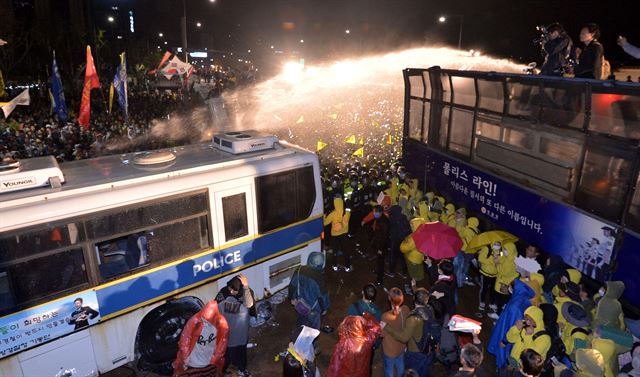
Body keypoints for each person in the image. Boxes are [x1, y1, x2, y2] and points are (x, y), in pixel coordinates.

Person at [383, 288, 440, 376]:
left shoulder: (413, 318)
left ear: (413, 298)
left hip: (416, 353)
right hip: (428, 349)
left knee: (411, 373)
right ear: (427, 300)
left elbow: (404, 338)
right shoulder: (430, 310)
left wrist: (388, 328)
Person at [173, 300, 229, 377]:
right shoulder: (195, 320)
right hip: (194, 362)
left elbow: (221, 346)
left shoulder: (221, 324)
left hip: (207, 362)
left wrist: (214, 360)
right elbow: (184, 341)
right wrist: (186, 358)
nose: (205, 321)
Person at [488, 279, 535, 369]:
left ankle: (501, 367)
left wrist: (505, 340)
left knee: (503, 353)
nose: (509, 288)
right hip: (510, 332)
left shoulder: (515, 305)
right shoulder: (522, 299)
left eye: (510, 287)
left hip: (507, 333)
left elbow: (513, 326)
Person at [215, 274, 256, 377]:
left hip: (241, 334)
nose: (231, 291)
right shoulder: (224, 292)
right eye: (230, 288)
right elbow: (216, 308)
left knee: (241, 354)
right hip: (229, 335)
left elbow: (250, 305)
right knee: (228, 355)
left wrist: (246, 287)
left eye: (234, 290)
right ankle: (224, 371)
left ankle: (241, 369)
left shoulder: (247, 293)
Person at [288, 252, 330, 330]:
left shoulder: (299, 269)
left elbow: (292, 286)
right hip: (313, 308)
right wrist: (324, 308)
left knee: (301, 321)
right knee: (313, 328)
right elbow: (322, 296)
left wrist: (291, 298)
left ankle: (298, 338)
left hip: (300, 304)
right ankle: (310, 342)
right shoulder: (319, 277)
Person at [381, 287, 411, 377]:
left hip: (390, 350)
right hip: (401, 347)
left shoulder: (385, 316)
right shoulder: (406, 309)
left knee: (389, 371)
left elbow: (382, 334)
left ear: (389, 298)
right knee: (401, 368)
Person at [361, 205, 390, 285]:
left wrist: (380, 249)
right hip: (378, 242)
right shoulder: (379, 218)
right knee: (379, 260)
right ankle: (379, 271)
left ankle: (380, 279)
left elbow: (384, 237)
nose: (373, 213)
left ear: (380, 212)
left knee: (381, 261)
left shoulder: (384, 222)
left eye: (374, 212)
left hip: (382, 246)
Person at [324, 195, 352, 272]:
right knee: (346, 251)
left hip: (334, 236)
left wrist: (324, 216)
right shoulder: (346, 212)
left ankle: (335, 266)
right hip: (344, 235)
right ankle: (347, 267)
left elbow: (325, 223)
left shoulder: (333, 214)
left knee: (335, 251)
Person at [388, 205, 412, 279]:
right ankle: (404, 273)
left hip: (395, 241)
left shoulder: (392, 219)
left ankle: (391, 272)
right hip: (403, 241)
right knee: (403, 258)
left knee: (393, 257)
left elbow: (389, 229)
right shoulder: (404, 217)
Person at [477, 242, 499, 314]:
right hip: (485, 273)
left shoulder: (501, 251)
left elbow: (502, 259)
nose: (497, 245)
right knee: (484, 288)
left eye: (499, 244)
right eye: (496, 243)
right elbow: (480, 259)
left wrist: (498, 260)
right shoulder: (487, 249)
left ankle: (492, 303)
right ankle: (482, 302)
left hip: (495, 274)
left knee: (493, 290)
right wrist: (492, 260)